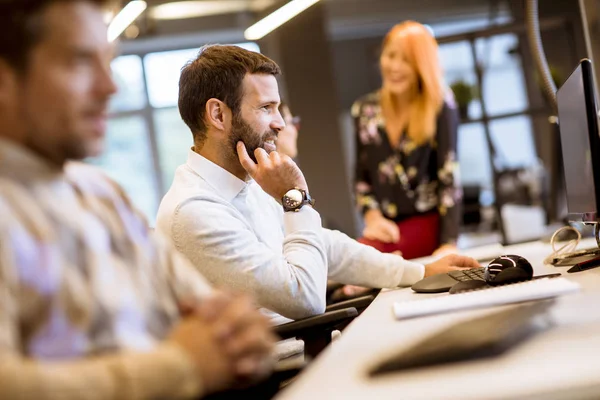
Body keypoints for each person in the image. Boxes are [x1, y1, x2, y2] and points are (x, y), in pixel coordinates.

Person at [0, 1, 275, 399]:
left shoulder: (103, 195)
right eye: (79, 62)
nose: (109, 86)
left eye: (107, 62)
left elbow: (228, 327)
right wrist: (181, 367)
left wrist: (243, 337)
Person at [155, 45, 480, 323]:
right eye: (267, 108)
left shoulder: (247, 185)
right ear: (218, 115)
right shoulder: (193, 211)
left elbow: (326, 246)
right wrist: (294, 197)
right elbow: (305, 298)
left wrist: (418, 273)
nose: (281, 124)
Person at [352, 21, 462, 260]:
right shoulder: (365, 111)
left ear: (422, 66)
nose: (395, 67)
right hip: (385, 228)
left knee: (359, 262)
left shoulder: (440, 106)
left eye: (407, 60)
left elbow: (449, 177)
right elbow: (362, 180)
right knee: (355, 261)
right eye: (391, 56)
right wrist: (373, 218)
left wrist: (449, 244)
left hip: (428, 223)